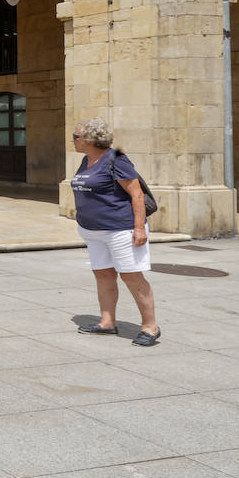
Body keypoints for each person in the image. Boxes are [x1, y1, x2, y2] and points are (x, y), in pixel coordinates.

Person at [70, 117, 160, 346]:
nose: (73, 140)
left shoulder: (116, 158)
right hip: (93, 231)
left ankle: (150, 327)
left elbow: (136, 194)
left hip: (121, 229)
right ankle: (107, 322)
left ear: (90, 139)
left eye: (76, 136)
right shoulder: (86, 160)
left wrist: (139, 228)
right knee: (103, 274)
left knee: (131, 275)